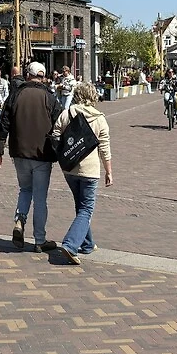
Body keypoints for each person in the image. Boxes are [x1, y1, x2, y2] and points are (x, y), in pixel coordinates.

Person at [0, 62, 61, 253]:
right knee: (40, 198)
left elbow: (4, 123)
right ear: (43, 76)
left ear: (27, 75)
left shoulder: (16, 94)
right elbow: (60, 122)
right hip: (42, 153)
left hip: (19, 152)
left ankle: (19, 220)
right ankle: (40, 240)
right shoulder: (49, 97)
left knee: (25, 189)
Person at [51, 82, 112, 265]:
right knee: (86, 208)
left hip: (70, 168)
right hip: (90, 170)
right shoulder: (99, 118)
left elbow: (55, 135)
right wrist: (109, 171)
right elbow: (104, 147)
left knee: (81, 206)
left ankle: (87, 244)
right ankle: (70, 244)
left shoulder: (67, 113)